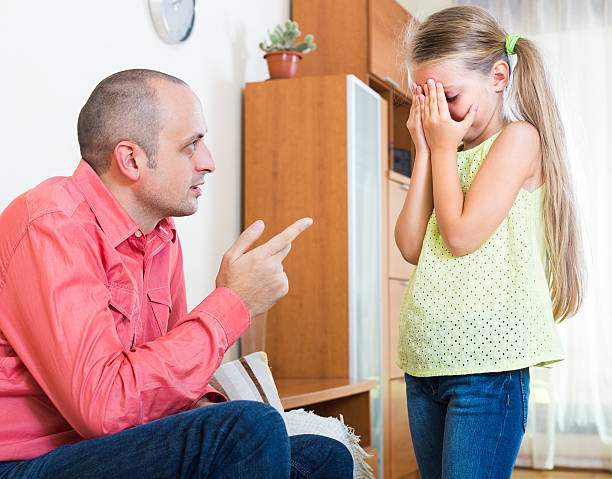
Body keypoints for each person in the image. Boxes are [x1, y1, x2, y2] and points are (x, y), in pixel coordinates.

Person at [0, 69, 353, 478]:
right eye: (191, 146)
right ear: (131, 158)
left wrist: (204, 401)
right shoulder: (51, 224)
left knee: (325, 456)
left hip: (109, 447)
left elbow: (161, 372)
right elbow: (104, 407)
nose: (209, 162)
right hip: (24, 462)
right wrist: (233, 303)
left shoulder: (161, 235)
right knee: (248, 430)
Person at [394, 6, 585, 478]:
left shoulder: (518, 140)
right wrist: (424, 151)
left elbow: (459, 236)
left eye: (450, 96)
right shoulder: (443, 153)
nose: (439, 114)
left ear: (498, 77)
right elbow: (412, 246)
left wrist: (440, 148)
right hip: (425, 361)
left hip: (487, 366)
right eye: (425, 100)